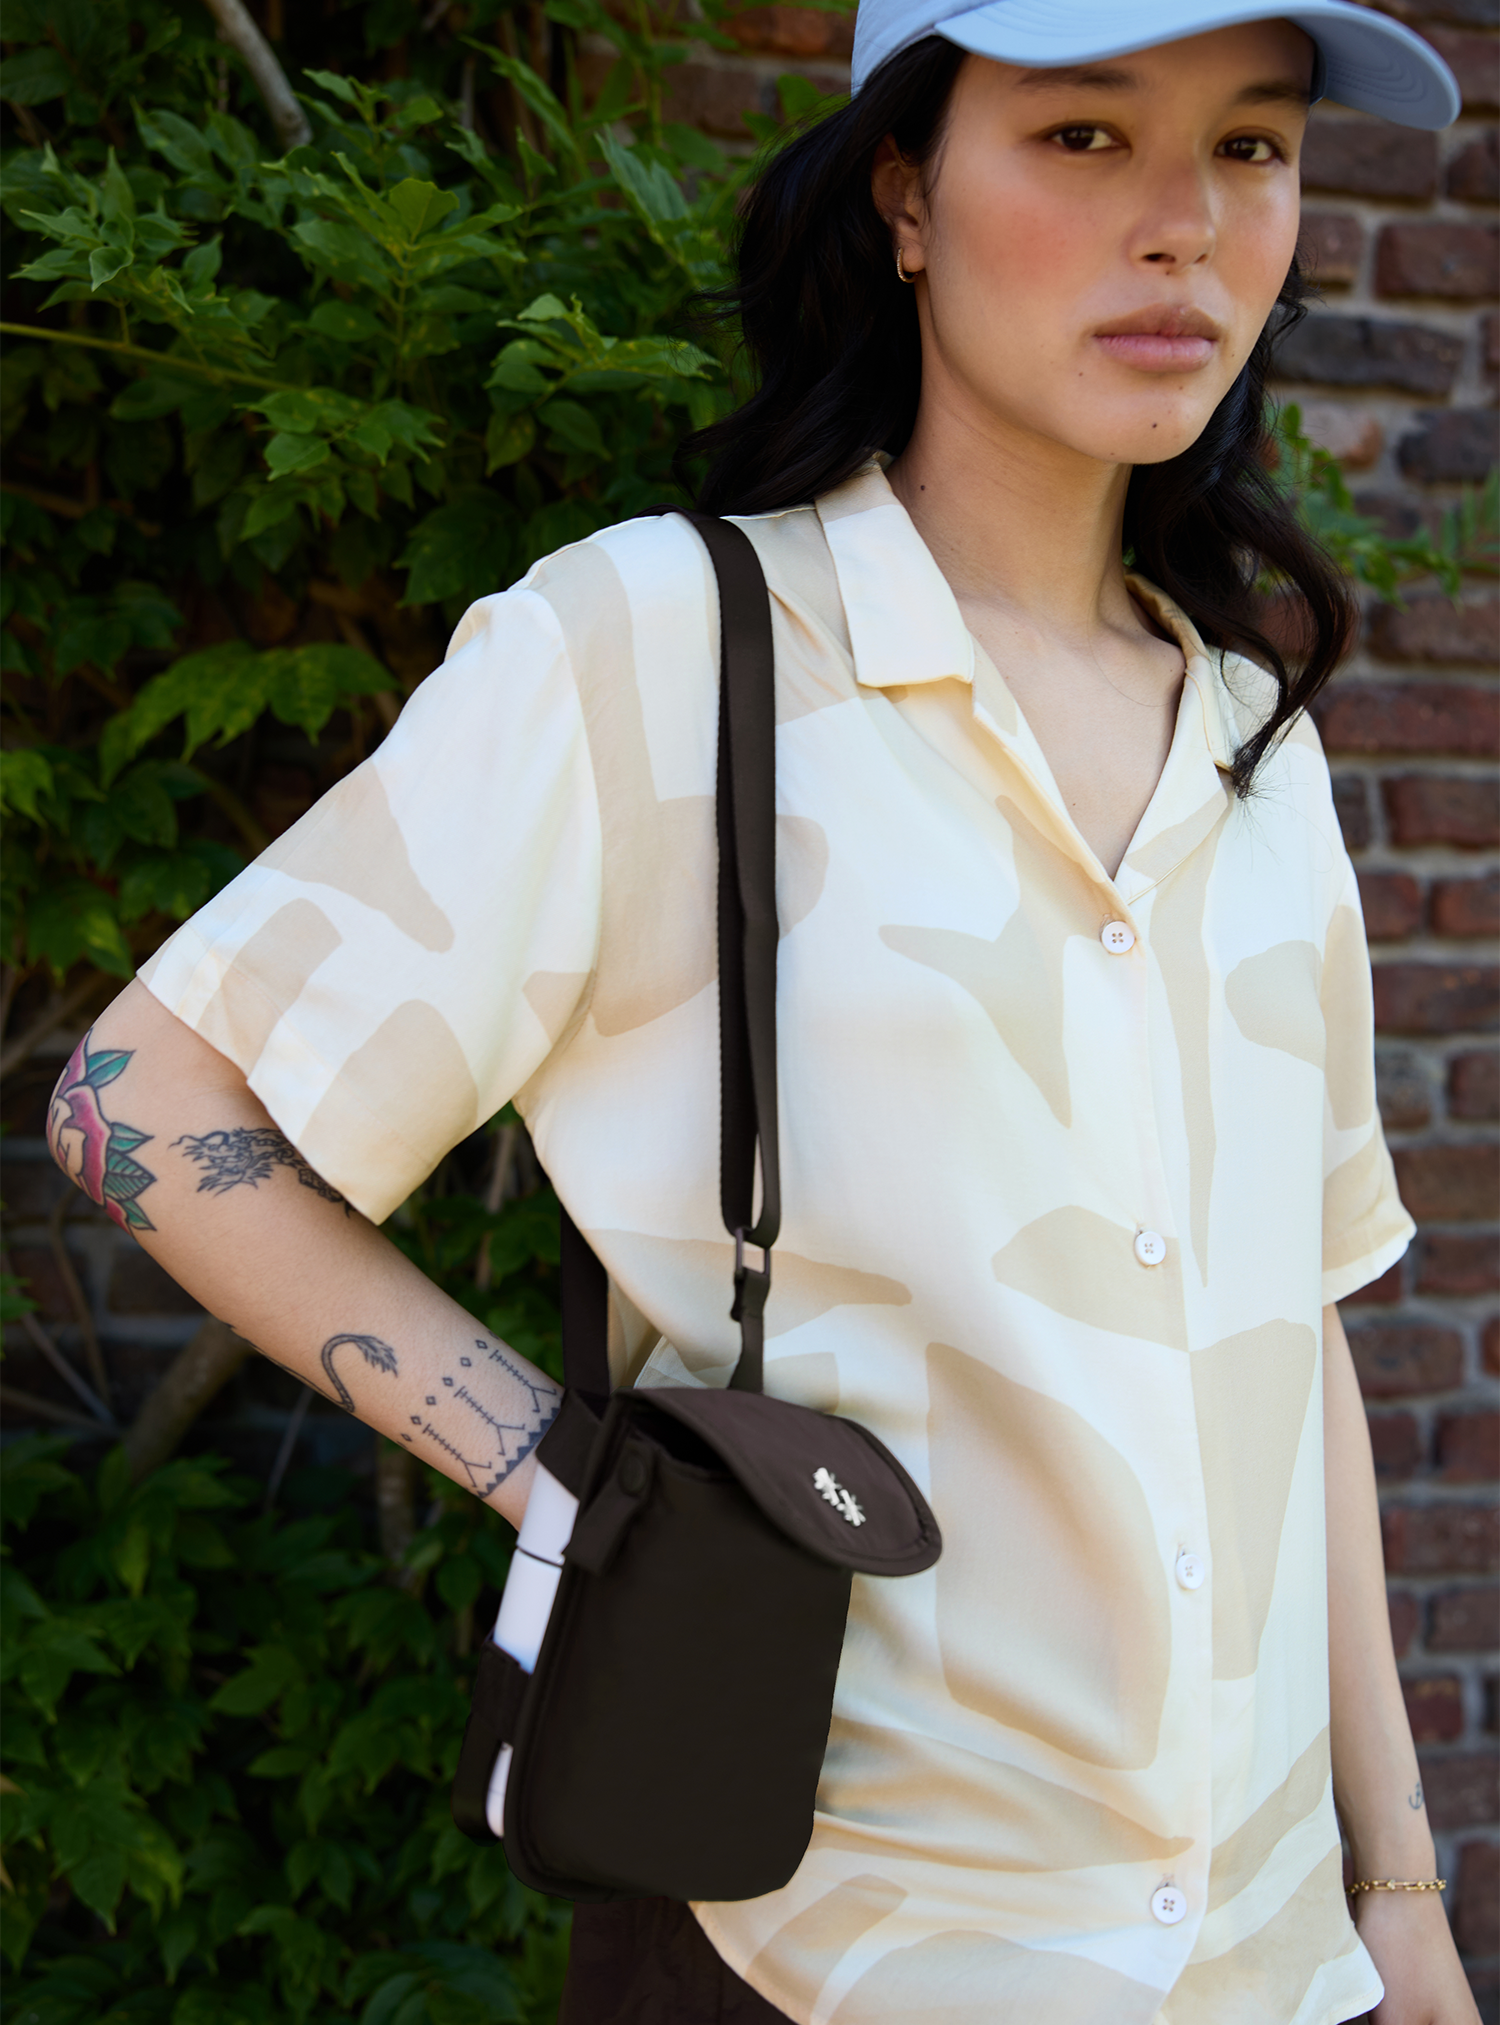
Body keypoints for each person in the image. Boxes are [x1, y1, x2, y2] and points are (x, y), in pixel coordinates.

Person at [46, 0, 1479, 2018]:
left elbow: (1290, 1330)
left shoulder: (1257, 738)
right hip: (826, 1951)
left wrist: (1397, 1893)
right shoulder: (658, 649)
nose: (1185, 223)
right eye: (1085, 137)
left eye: (1249, 146)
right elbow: (137, 1094)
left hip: (1273, 1969)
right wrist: (579, 1482)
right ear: (905, 195)